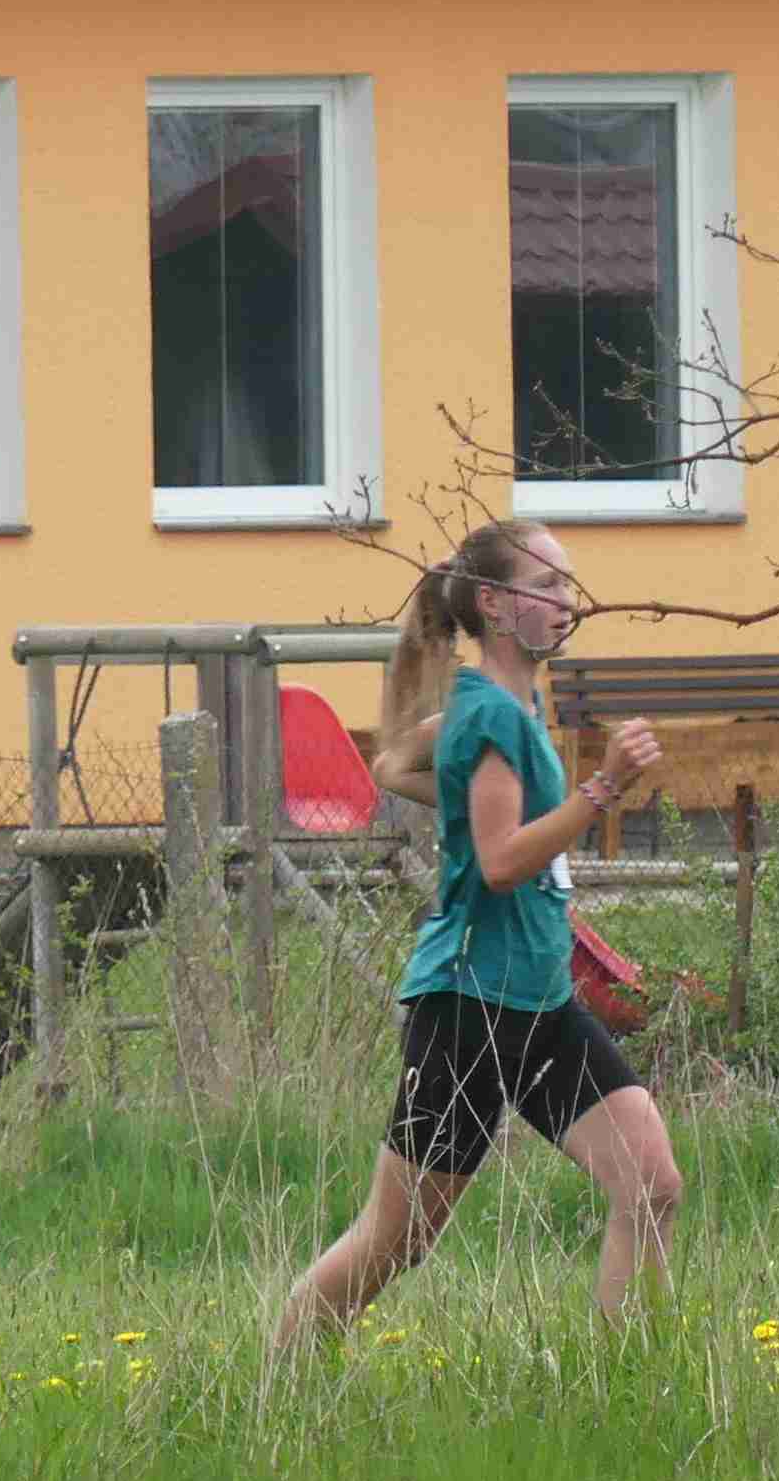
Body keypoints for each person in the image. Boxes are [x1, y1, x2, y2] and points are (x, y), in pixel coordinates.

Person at [276, 517, 680, 1346]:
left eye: (569, 583)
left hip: (540, 1001)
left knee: (651, 1184)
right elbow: (499, 863)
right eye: (549, 585)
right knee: (400, 1240)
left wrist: (469, 797)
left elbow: (392, 764)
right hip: (470, 1008)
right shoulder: (490, 714)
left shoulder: (507, 703)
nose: (569, 601)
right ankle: (280, 1369)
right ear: (494, 605)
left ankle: (628, 1384)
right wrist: (603, 788)